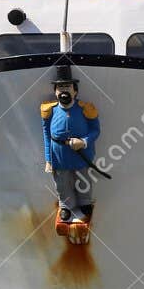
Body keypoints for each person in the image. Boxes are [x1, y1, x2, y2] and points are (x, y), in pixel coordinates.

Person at [40, 60, 102, 243]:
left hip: (80, 154)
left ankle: (84, 203)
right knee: (63, 182)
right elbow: (45, 133)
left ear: (75, 90)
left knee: (83, 179)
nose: (63, 92)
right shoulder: (49, 111)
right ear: (55, 92)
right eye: (60, 88)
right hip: (59, 155)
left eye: (67, 87)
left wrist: (83, 141)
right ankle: (66, 205)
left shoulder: (85, 109)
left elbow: (95, 130)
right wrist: (48, 159)